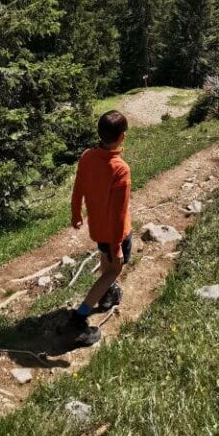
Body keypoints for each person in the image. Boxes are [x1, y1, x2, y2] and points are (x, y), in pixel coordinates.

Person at [69, 110, 132, 345]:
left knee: (106, 267)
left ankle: (107, 297)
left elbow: (78, 189)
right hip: (116, 233)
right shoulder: (120, 169)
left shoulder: (87, 157)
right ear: (122, 136)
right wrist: (117, 246)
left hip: (98, 229)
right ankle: (79, 317)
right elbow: (119, 214)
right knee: (114, 269)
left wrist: (76, 213)